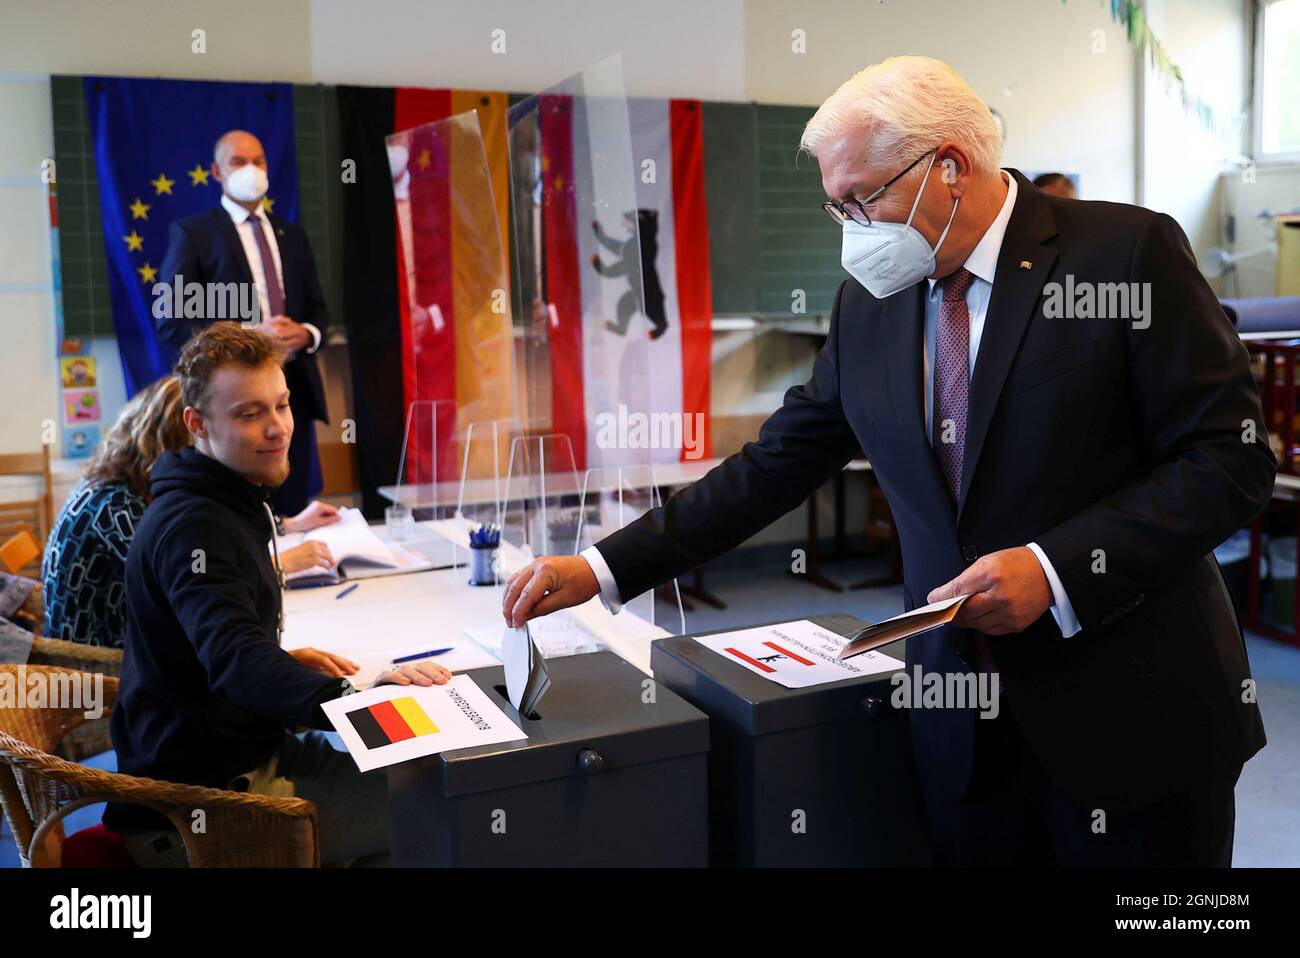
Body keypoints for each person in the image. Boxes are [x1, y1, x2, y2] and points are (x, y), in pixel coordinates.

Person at [502, 56, 1274, 867]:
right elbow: (778, 463)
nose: (854, 229)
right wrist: (604, 566)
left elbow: (1229, 458)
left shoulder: (1123, 254)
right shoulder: (871, 301)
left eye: (864, 198)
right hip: (959, 726)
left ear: (949, 166)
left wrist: (1054, 571)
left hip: (1134, 721)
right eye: (838, 206)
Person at [108, 323, 449, 866]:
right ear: (196, 423)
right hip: (199, 808)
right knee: (449, 814)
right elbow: (235, 660)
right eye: (249, 413)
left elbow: (212, 651)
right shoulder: (193, 526)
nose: (277, 428)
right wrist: (350, 700)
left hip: (249, 753)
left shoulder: (224, 498)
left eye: (282, 405)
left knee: (434, 775)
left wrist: (287, 664)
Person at [42, 377, 343, 649]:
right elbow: (187, 575)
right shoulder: (114, 502)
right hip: (102, 669)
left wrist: (288, 524)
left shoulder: (126, 484)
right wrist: (282, 562)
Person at [156, 129, 330, 516]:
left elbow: (318, 311)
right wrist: (249, 337)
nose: (251, 169)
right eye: (239, 161)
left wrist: (307, 334)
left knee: (291, 506)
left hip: (293, 392)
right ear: (217, 172)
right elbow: (171, 320)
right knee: (241, 513)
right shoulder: (194, 234)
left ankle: (286, 571)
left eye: (258, 160)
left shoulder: (292, 234)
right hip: (234, 402)